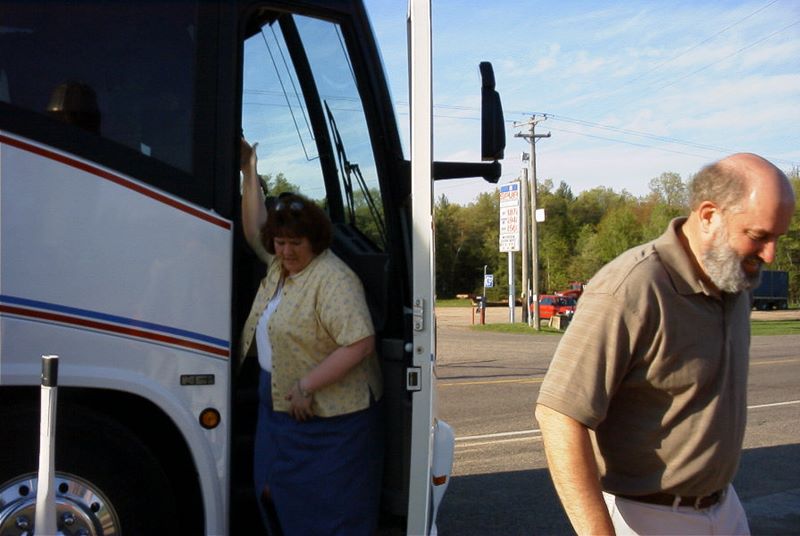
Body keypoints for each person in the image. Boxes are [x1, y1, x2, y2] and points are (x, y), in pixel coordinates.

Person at [535, 153, 795, 535]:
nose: (769, 255)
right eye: (758, 236)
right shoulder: (631, 288)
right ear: (709, 216)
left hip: (725, 508)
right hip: (646, 518)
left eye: (778, 238)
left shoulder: (735, 281)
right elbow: (558, 416)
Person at [239, 138, 384, 535]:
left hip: (329, 417)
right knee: (275, 493)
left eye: (294, 244)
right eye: (280, 243)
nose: (285, 251)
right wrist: (249, 169)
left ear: (315, 241)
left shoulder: (332, 279)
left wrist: (306, 385)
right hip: (282, 404)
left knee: (327, 511)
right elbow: (254, 230)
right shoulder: (282, 267)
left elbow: (360, 342)